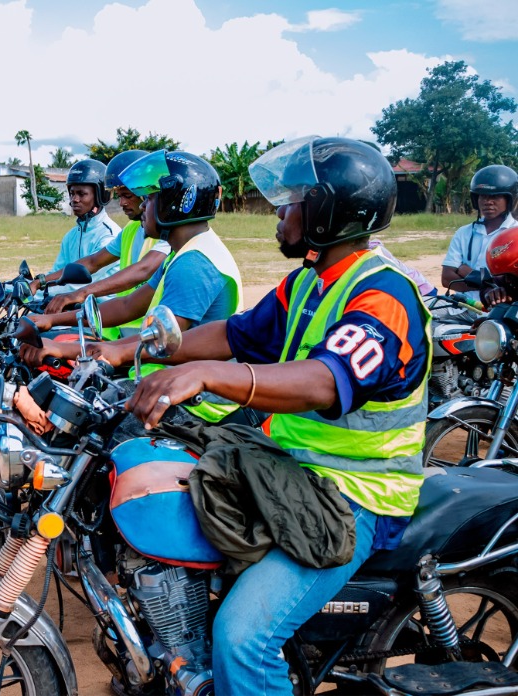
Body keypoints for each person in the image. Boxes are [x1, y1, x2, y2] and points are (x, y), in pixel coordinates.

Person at [127, 136, 430, 694]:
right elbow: (235, 334)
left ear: (329, 212)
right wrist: (135, 350)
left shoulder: (382, 296)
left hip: (358, 495)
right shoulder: (311, 281)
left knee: (244, 637)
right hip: (292, 468)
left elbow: (322, 381)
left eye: (293, 201)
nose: (279, 211)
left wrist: (213, 377)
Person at [23, 150, 243, 424]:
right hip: (160, 379)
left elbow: (160, 343)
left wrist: (74, 349)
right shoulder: (183, 253)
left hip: (191, 400)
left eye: (149, 199)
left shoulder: (195, 264)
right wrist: (52, 321)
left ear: (173, 204)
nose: (141, 207)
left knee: (81, 429)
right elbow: (129, 304)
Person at [42, 150, 171, 340]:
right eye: (119, 196)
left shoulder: (168, 235)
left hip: (151, 335)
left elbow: (142, 270)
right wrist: (39, 282)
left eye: (128, 196)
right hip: (121, 327)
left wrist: (77, 294)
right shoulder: (130, 230)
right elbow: (93, 261)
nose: (122, 203)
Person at [36, 158, 121, 298]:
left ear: (100, 195)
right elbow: (57, 273)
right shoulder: (71, 236)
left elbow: (82, 285)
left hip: (102, 313)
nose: (74, 199)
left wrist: (36, 293)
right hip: (71, 308)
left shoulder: (110, 235)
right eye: (72, 193)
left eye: (82, 194)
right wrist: (28, 285)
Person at [441, 164, 518, 292]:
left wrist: (465, 271)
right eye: (483, 196)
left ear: (509, 199)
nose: (488, 201)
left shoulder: (515, 234)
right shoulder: (464, 233)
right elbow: (447, 278)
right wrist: (486, 288)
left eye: (495, 196)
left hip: (504, 308)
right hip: (463, 306)